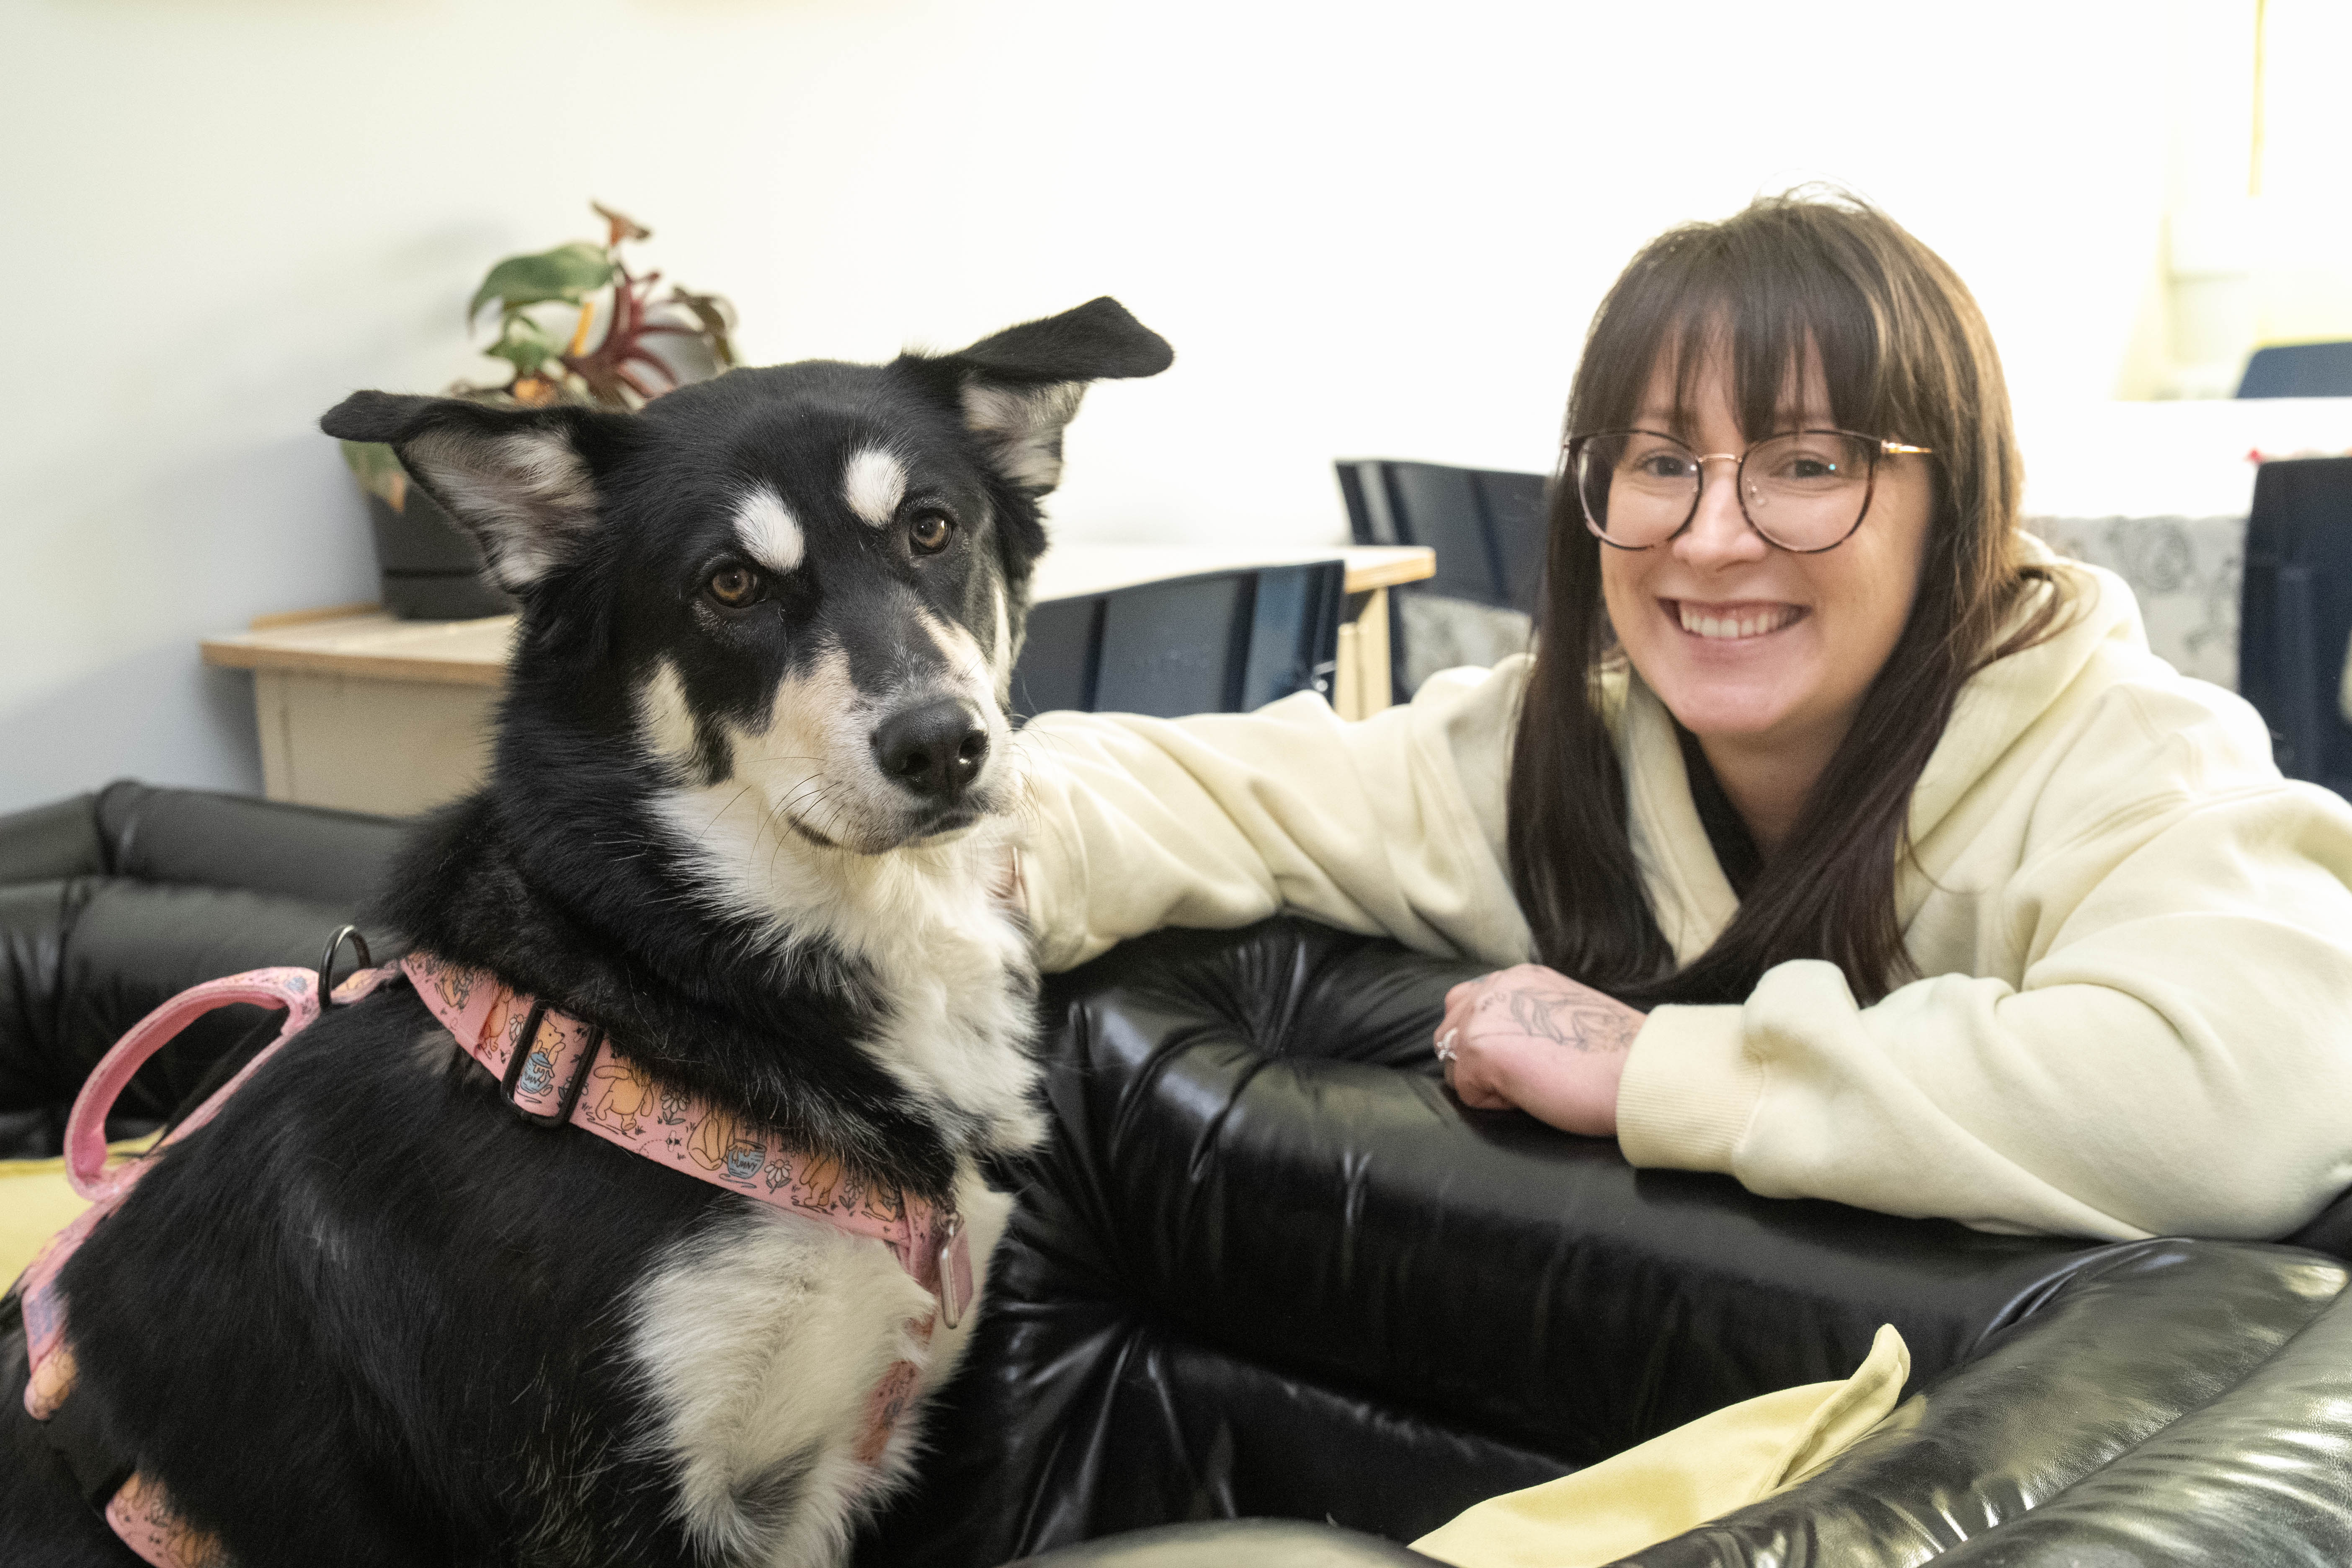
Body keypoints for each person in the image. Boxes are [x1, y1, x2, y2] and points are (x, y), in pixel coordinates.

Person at [1012, 190, 2352, 1242]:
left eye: (1807, 464)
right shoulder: (1558, 754)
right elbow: (1185, 796)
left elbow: (2247, 1096)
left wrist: (1661, 1070)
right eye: (1659, 462)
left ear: (1959, 506)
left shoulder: (2126, 758)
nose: (1711, 539)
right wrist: (939, 885)